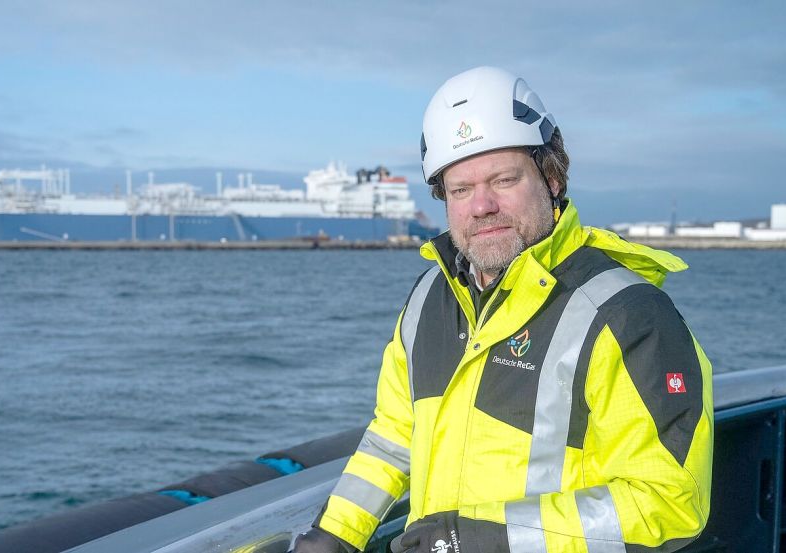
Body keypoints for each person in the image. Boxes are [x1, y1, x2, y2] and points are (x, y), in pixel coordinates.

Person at [292, 66, 713, 553]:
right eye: (461, 190)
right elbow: (394, 435)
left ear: (551, 179)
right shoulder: (431, 296)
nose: (481, 206)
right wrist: (334, 534)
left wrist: (475, 540)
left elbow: (670, 502)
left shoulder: (627, 316)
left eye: (504, 180)